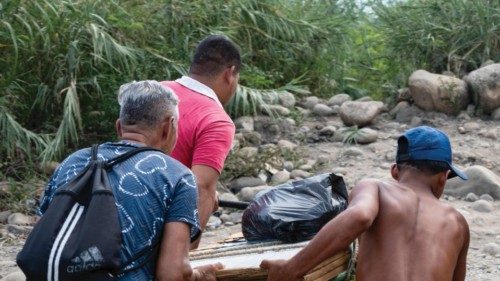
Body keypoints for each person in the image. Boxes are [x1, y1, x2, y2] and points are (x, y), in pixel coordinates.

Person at [38, 81, 222, 280]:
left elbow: (42, 238)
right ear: (168, 128)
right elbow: (172, 274)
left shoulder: (72, 162)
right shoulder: (177, 176)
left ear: (119, 127)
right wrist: (196, 275)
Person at [261, 126, 470, 281]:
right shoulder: (458, 223)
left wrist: (291, 269)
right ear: (444, 177)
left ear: (395, 171)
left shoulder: (377, 188)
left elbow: (359, 216)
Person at [160, 35, 241, 242]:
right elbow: (201, 189)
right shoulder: (216, 120)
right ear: (230, 73)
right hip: (159, 232)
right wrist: (184, 254)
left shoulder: (154, 92)